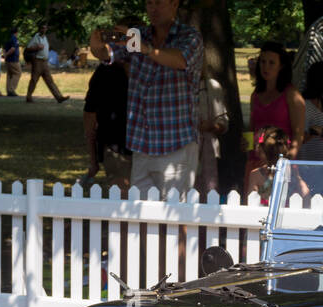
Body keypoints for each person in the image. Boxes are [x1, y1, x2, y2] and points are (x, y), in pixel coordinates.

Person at [89, 0, 203, 198]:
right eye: (150, 3)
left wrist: (147, 49)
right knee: (140, 217)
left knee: (175, 217)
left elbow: (180, 60)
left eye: (159, 2)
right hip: (142, 145)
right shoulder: (139, 35)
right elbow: (107, 54)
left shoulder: (190, 36)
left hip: (176, 144)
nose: (154, 8)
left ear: (174, 4)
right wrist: (96, 46)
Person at [243, 41, 304, 192]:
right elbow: (251, 129)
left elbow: (298, 134)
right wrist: (247, 145)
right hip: (255, 162)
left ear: (281, 66)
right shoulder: (255, 95)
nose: (266, 66)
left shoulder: (291, 94)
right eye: (262, 62)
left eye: (271, 62)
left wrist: (286, 162)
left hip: (282, 163)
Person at [83, 55, 131, 189]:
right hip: (117, 148)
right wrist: (93, 160)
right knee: (122, 198)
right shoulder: (104, 72)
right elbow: (89, 116)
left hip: (151, 150)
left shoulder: (152, 67)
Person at [195, 65, 228, 194]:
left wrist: (211, 126)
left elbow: (223, 123)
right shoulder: (177, 85)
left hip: (207, 149)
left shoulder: (211, 86)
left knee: (209, 190)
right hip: (184, 149)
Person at [25, 22, 68, 103]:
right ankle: (28, 96)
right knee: (34, 80)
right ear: (39, 29)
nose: (44, 30)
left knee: (50, 81)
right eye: (42, 28)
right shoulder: (36, 37)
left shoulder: (45, 38)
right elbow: (28, 48)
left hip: (45, 62)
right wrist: (37, 47)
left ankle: (59, 97)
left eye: (45, 28)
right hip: (37, 61)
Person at [245, 127, 288, 200]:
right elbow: (306, 195)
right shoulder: (289, 172)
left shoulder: (256, 175)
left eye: (256, 144)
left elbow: (251, 201)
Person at [2, 29, 21, 97]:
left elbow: (4, 49)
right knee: (17, 73)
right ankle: (11, 90)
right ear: (16, 32)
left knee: (10, 75)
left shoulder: (6, 39)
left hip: (8, 60)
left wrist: (5, 56)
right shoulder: (14, 38)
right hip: (14, 60)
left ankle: (8, 90)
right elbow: (13, 49)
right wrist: (7, 54)